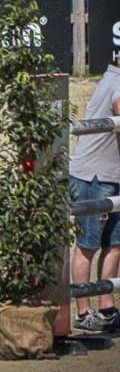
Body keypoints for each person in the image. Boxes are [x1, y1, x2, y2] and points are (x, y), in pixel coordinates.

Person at [70, 52, 120, 332]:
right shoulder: (117, 81)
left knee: (115, 244)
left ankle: (107, 308)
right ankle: (82, 312)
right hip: (94, 176)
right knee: (87, 245)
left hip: (111, 175)